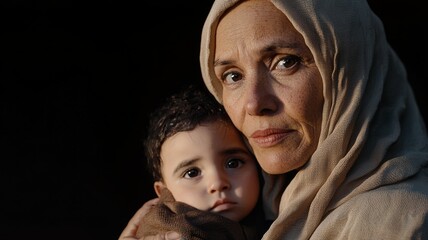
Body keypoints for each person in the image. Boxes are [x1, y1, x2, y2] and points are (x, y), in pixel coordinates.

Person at [121, 0, 428, 239]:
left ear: (351, 68)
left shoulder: (397, 221)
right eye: (233, 76)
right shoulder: (269, 210)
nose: (254, 103)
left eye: (285, 62)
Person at [129, 84, 268, 239]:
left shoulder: (279, 210)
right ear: (164, 192)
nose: (217, 183)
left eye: (233, 163)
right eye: (192, 173)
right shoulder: (174, 229)